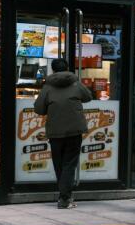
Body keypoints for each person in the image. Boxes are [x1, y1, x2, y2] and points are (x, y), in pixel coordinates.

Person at [34, 58, 92, 208]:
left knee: (59, 164)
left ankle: (64, 197)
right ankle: (65, 198)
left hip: (55, 131)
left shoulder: (48, 87)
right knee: (69, 164)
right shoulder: (75, 83)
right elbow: (88, 97)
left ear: (53, 70)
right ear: (67, 68)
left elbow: (39, 109)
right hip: (74, 130)